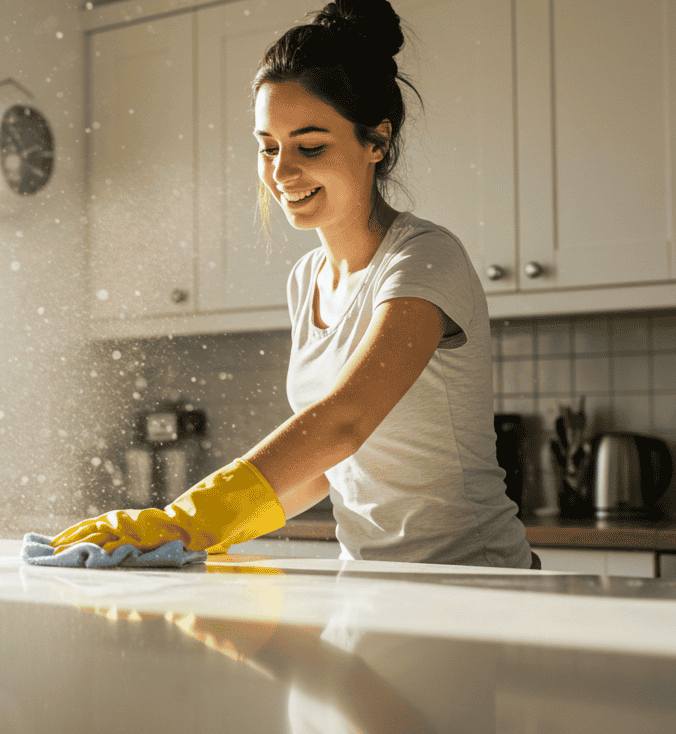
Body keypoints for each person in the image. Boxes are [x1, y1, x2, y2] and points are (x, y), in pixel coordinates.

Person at [51, 0, 536, 569]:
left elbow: (346, 421)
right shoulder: (306, 279)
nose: (281, 173)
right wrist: (193, 537)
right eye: (268, 147)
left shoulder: (425, 259)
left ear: (376, 142)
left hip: (478, 583)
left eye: (310, 147)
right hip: (377, 585)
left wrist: (189, 518)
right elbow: (324, 470)